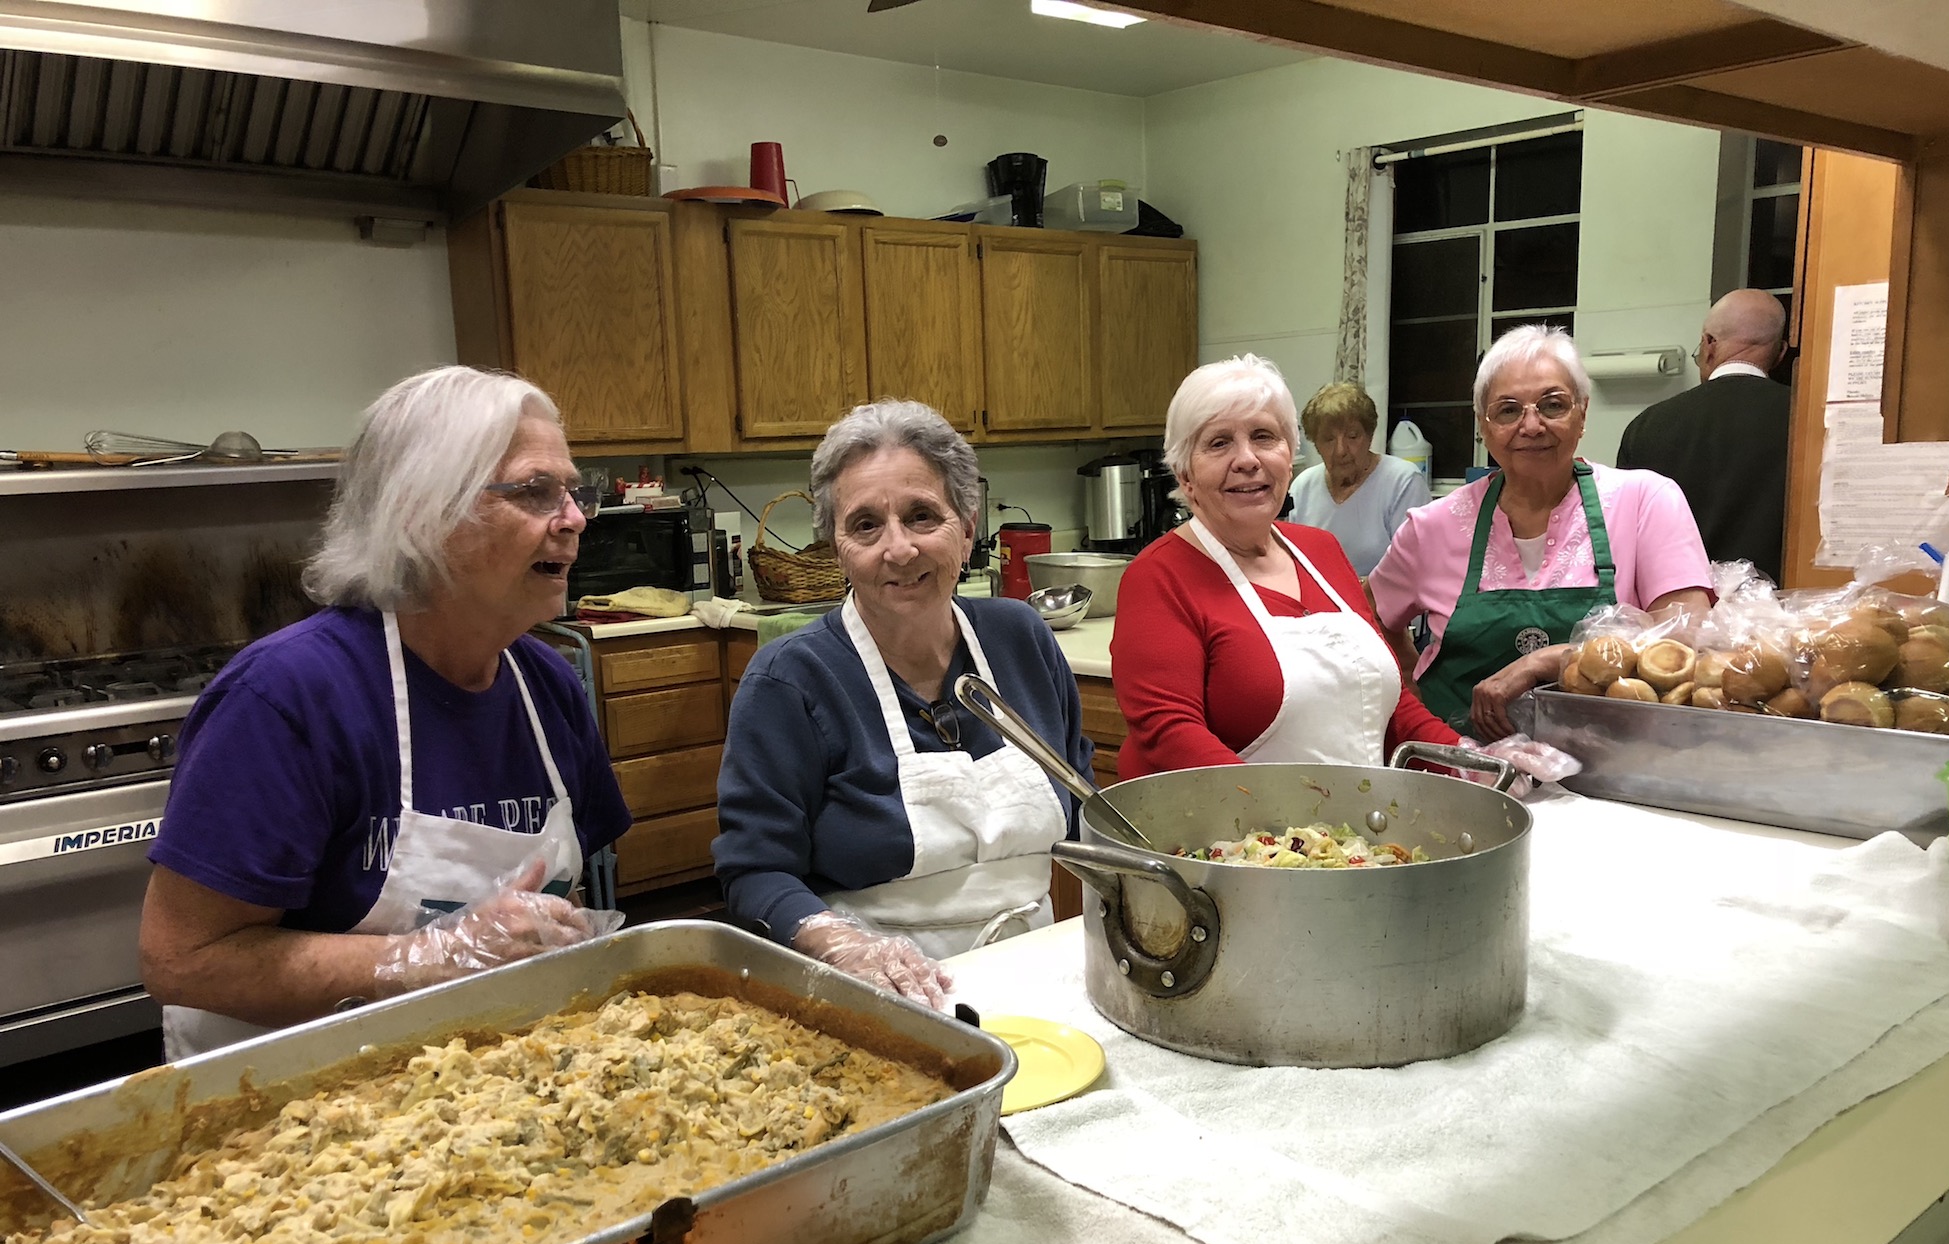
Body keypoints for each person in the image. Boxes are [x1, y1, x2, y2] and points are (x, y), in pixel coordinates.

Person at [140, 366, 632, 1061]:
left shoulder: (546, 686)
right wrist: (421, 959)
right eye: (534, 492)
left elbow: (561, 899)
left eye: (572, 493)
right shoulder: (288, 697)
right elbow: (182, 960)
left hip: (498, 1080)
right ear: (422, 513)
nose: (575, 518)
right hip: (299, 1102)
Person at [712, 400, 1091, 1009]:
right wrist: (845, 947)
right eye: (865, 526)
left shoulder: (1020, 639)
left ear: (967, 528)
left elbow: (1082, 807)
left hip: (1038, 974)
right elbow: (754, 873)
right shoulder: (791, 680)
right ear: (836, 549)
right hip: (876, 1000)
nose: (900, 549)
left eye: (922, 517)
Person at [1111, 353, 1462, 779]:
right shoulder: (1158, 577)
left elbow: (1389, 706)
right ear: (1185, 474)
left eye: (1263, 437)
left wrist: (1466, 761)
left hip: (1349, 831)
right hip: (1226, 834)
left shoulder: (1322, 551)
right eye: (1219, 443)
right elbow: (1170, 734)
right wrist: (1291, 837)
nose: (1247, 459)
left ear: (1290, 455)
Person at [1370, 325, 1715, 741]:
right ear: (1483, 424)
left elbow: (1684, 639)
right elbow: (1366, 620)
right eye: (1508, 410)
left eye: (1552, 405)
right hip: (1463, 773)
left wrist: (1551, 660)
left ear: (1583, 413)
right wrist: (1409, 684)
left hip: (1608, 774)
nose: (1531, 426)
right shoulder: (1432, 526)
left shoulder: (1645, 500)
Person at [1616, 288, 1792, 583]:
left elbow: (1625, 536)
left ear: (1708, 344)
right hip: (1781, 612)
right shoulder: (1808, 422)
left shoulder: (1648, 425)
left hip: (1676, 611)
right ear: (1781, 352)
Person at [1289, 380, 1432, 575]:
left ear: (1370, 436)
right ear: (1316, 443)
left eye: (1353, 436)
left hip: (1384, 603)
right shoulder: (1301, 488)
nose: (1340, 451)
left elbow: (1414, 570)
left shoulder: (1403, 481)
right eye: (1329, 439)